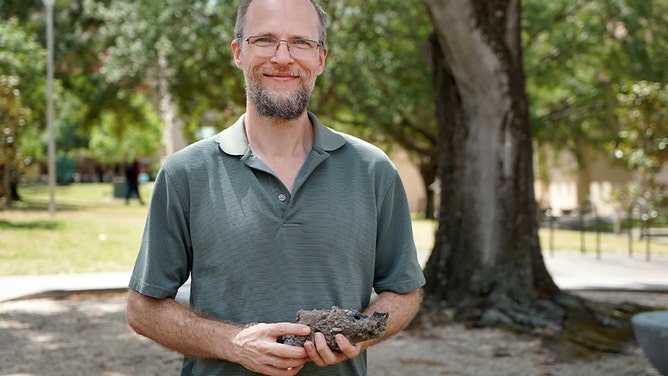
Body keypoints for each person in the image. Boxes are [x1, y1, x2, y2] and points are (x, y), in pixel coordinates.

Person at [125, 0, 425, 375]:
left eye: (300, 42)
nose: (282, 58)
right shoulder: (185, 172)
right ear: (239, 52)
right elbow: (142, 308)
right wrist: (232, 344)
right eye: (265, 39)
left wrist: (359, 334)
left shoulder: (372, 169)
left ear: (321, 58)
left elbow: (404, 291)